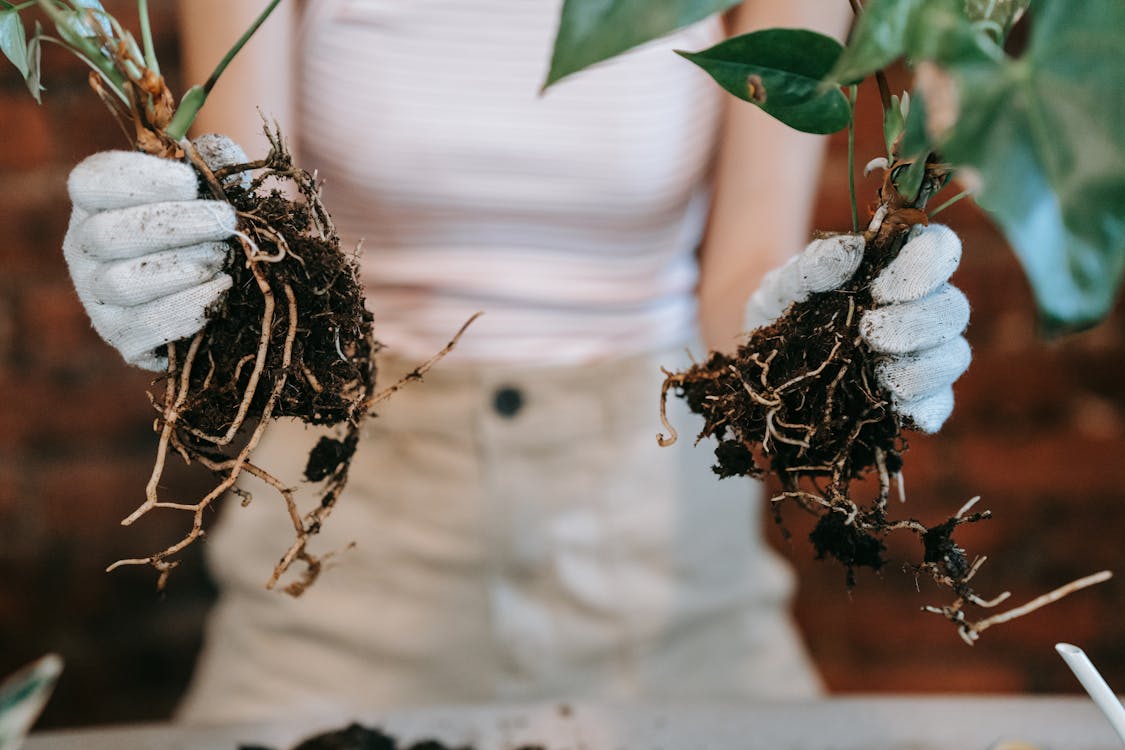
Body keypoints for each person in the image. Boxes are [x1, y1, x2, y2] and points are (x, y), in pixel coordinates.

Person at [61, 0, 970, 724]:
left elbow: (742, 271)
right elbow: (255, 218)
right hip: (335, 567)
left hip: (664, 566)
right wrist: (170, 271)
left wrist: (819, 338)